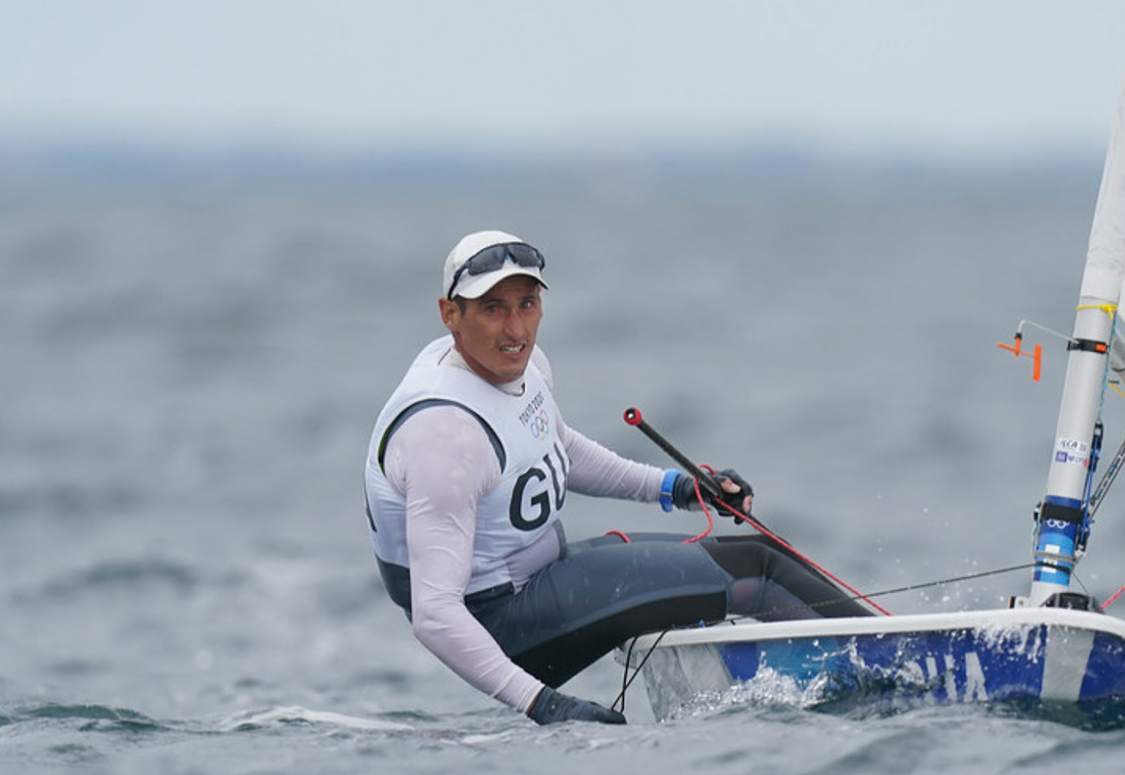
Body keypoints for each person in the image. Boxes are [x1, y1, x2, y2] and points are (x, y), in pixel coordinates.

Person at [363, 230, 874, 725]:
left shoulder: (522, 365)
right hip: (503, 632)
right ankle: (890, 669)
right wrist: (543, 704)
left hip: (545, 577)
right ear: (450, 314)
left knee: (758, 552)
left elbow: (557, 446)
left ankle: (875, 657)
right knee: (756, 572)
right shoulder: (444, 439)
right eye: (493, 309)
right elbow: (434, 615)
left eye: (526, 304)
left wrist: (677, 487)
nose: (516, 330)